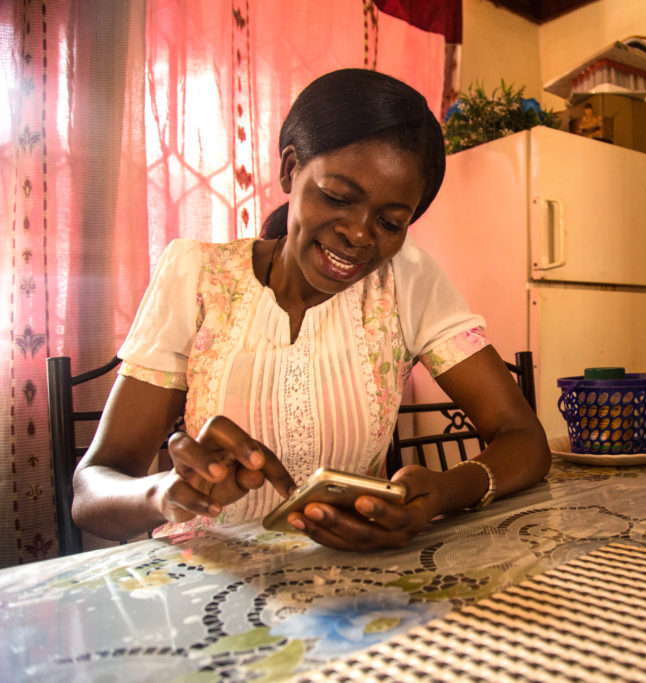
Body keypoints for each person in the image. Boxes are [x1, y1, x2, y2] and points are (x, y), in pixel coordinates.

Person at [72, 69, 551, 551]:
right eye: (337, 197)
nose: (361, 234)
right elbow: (91, 492)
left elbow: (524, 439)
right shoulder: (197, 276)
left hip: (351, 577)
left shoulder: (406, 278)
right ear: (290, 168)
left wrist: (444, 492)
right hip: (206, 584)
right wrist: (164, 494)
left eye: (389, 221)